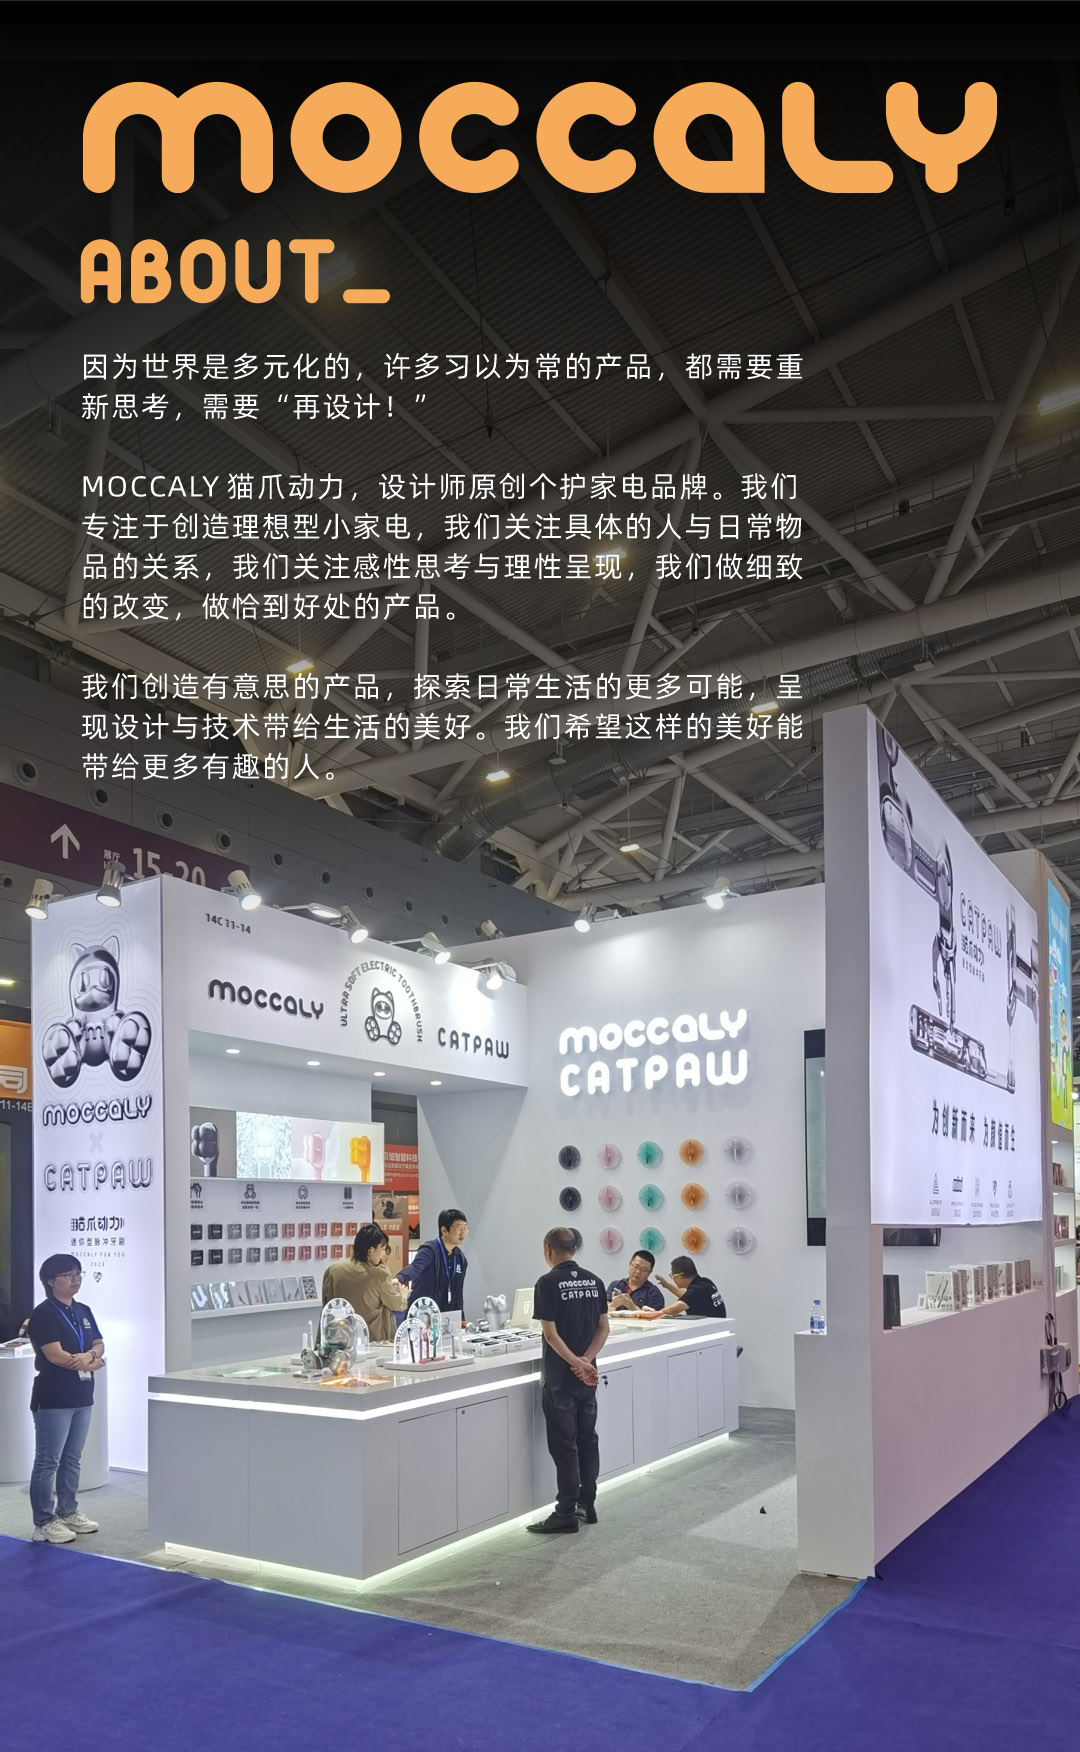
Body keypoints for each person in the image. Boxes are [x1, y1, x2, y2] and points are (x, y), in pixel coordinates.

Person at [528, 1227, 608, 1535]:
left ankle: (565, 1512)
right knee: (588, 1440)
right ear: (574, 1249)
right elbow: (603, 1328)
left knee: (565, 1447)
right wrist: (586, 1360)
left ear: (547, 1250)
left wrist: (575, 1362)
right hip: (587, 1378)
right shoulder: (595, 1281)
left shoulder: (546, 1283)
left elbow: (550, 1335)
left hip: (560, 1379)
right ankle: (587, 1503)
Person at [26, 1255, 105, 1544]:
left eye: (78, 1274)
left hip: (82, 1394)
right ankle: (44, 1522)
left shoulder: (83, 1310)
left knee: (72, 1458)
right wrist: (91, 1363)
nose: (76, 1279)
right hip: (53, 1397)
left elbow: (99, 1343)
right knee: (48, 1461)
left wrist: (91, 1356)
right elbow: (55, 1355)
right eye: (68, 1275)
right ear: (51, 1281)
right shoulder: (44, 1314)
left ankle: (68, 1511)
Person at [321, 1223, 408, 1342]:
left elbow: (327, 1306)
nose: (383, 1254)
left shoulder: (333, 1271)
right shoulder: (379, 1275)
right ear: (370, 1250)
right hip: (372, 1341)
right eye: (382, 1249)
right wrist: (403, 1295)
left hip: (339, 1339)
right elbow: (398, 1305)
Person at [397, 1208, 468, 1311]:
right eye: (459, 1228)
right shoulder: (429, 1251)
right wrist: (399, 1278)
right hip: (423, 1313)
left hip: (446, 1315)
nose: (463, 1233)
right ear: (444, 1230)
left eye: (465, 1228)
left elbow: (458, 1292)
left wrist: (461, 1316)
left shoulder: (460, 1258)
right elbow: (415, 1267)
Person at [641, 1256, 727, 1320]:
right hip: (720, 1328)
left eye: (672, 1276)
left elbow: (673, 1309)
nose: (673, 1279)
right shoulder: (705, 1282)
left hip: (710, 1331)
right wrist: (667, 1285)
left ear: (679, 1276)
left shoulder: (696, 1291)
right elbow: (687, 1297)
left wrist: (651, 1315)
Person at [607, 1248, 664, 1312]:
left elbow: (656, 1316)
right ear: (630, 1264)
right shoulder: (615, 1285)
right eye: (636, 1267)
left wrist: (632, 1307)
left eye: (643, 1270)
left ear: (650, 1272)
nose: (638, 1272)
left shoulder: (654, 1293)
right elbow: (602, 1312)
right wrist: (613, 1304)